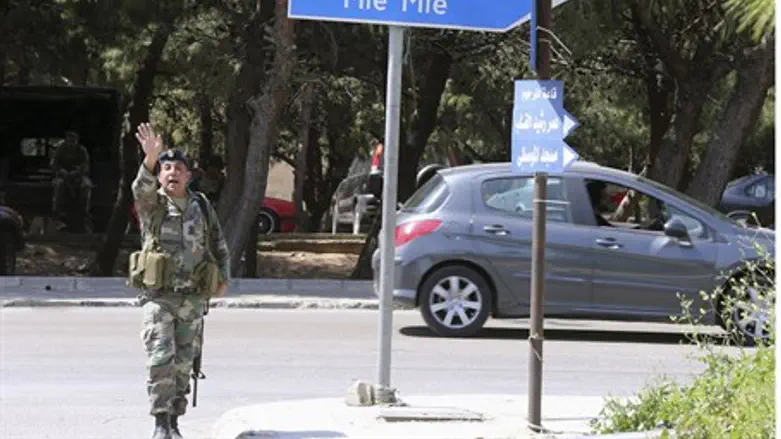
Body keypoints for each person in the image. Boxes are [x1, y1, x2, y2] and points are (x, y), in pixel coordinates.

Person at [132, 122, 230, 439]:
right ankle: (160, 422)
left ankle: (174, 421)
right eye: (167, 168)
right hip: (159, 297)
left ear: (189, 175)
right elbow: (140, 188)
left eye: (179, 168)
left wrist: (223, 278)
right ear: (160, 175)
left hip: (192, 299)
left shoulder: (201, 205)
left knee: (184, 363)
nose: (172, 172)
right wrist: (150, 158)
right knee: (161, 358)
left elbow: (219, 243)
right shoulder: (153, 205)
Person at [51, 131, 92, 230]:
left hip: (79, 176)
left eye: (74, 140)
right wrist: (62, 171)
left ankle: (84, 213)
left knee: (86, 186)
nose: (71, 142)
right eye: (69, 140)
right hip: (62, 175)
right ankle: (57, 214)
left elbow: (86, 165)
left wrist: (77, 172)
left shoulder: (82, 150)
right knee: (59, 185)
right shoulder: (60, 149)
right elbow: (54, 164)